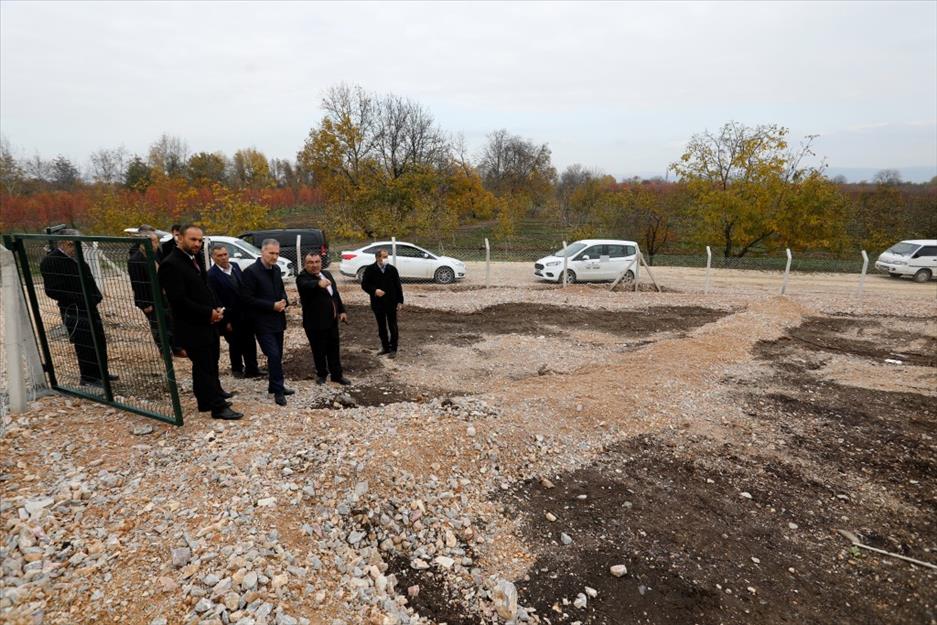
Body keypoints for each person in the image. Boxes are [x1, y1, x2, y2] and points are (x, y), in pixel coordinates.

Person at [158, 224, 242, 420]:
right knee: (205, 367)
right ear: (180, 238)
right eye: (193, 239)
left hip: (207, 322)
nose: (197, 243)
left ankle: (205, 401)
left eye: (199, 240)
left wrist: (216, 310)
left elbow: (204, 288)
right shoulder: (171, 264)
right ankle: (218, 407)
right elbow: (178, 301)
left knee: (207, 364)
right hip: (193, 326)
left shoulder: (193, 259)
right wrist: (207, 313)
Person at [39, 230, 117, 389]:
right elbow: (52, 290)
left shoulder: (76, 258)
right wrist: (79, 298)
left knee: (99, 339)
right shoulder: (51, 261)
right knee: (85, 343)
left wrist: (96, 296)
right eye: (77, 243)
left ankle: (101, 372)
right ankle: (88, 377)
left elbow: (89, 279)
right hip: (73, 310)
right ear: (67, 243)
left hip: (90, 307)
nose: (79, 247)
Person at [241, 239, 293, 406]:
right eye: (271, 253)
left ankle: (274, 385)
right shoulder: (251, 272)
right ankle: (278, 390)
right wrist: (271, 306)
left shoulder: (276, 269)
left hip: (278, 319)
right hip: (261, 322)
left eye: (277, 253)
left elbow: (281, 290)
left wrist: (284, 300)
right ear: (262, 252)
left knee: (277, 355)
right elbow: (246, 299)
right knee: (273, 354)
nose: (275, 257)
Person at [207, 244, 261, 379]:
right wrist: (226, 321)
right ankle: (237, 368)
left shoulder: (235, 266)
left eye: (225, 254)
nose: (224, 258)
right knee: (235, 343)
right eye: (220, 255)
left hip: (244, 312)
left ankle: (252, 369)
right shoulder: (212, 275)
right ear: (213, 257)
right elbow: (215, 299)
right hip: (230, 315)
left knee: (249, 341)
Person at [296, 252, 350, 386]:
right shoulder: (302, 277)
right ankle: (321, 374)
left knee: (334, 349)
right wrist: (318, 284)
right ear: (305, 264)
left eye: (317, 262)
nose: (314, 265)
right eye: (310, 262)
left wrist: (341, 310)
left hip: (331, 321)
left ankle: (337, 375)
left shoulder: (327, 274)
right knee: (319, 350)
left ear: (321, 262)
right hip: (315, 323)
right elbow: (306, 286)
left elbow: (335, 294)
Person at [128, 229, 178, 352]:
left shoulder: (155, 253)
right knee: (157, 324)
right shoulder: (135, 260)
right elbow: (138, 284)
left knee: (169, 320)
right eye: (155, 242)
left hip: (163, 294)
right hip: (150, 299)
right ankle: (163, 349)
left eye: (156, 242)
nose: (157, 245)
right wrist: (145, 304)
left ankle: (174, 346)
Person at [361, 248, 404, 358]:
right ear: (377, 258)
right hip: (377, 303)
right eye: (384, 257)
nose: (386, 259)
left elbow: (398, 286)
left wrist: (400, 301)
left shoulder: (392, 269)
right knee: (381, 326)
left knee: (393, 326)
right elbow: (364, 285)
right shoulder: (370, 269)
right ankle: (385, 347)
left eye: (386, 256)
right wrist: (374, 291)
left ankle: (393, 348)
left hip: (391, 302)